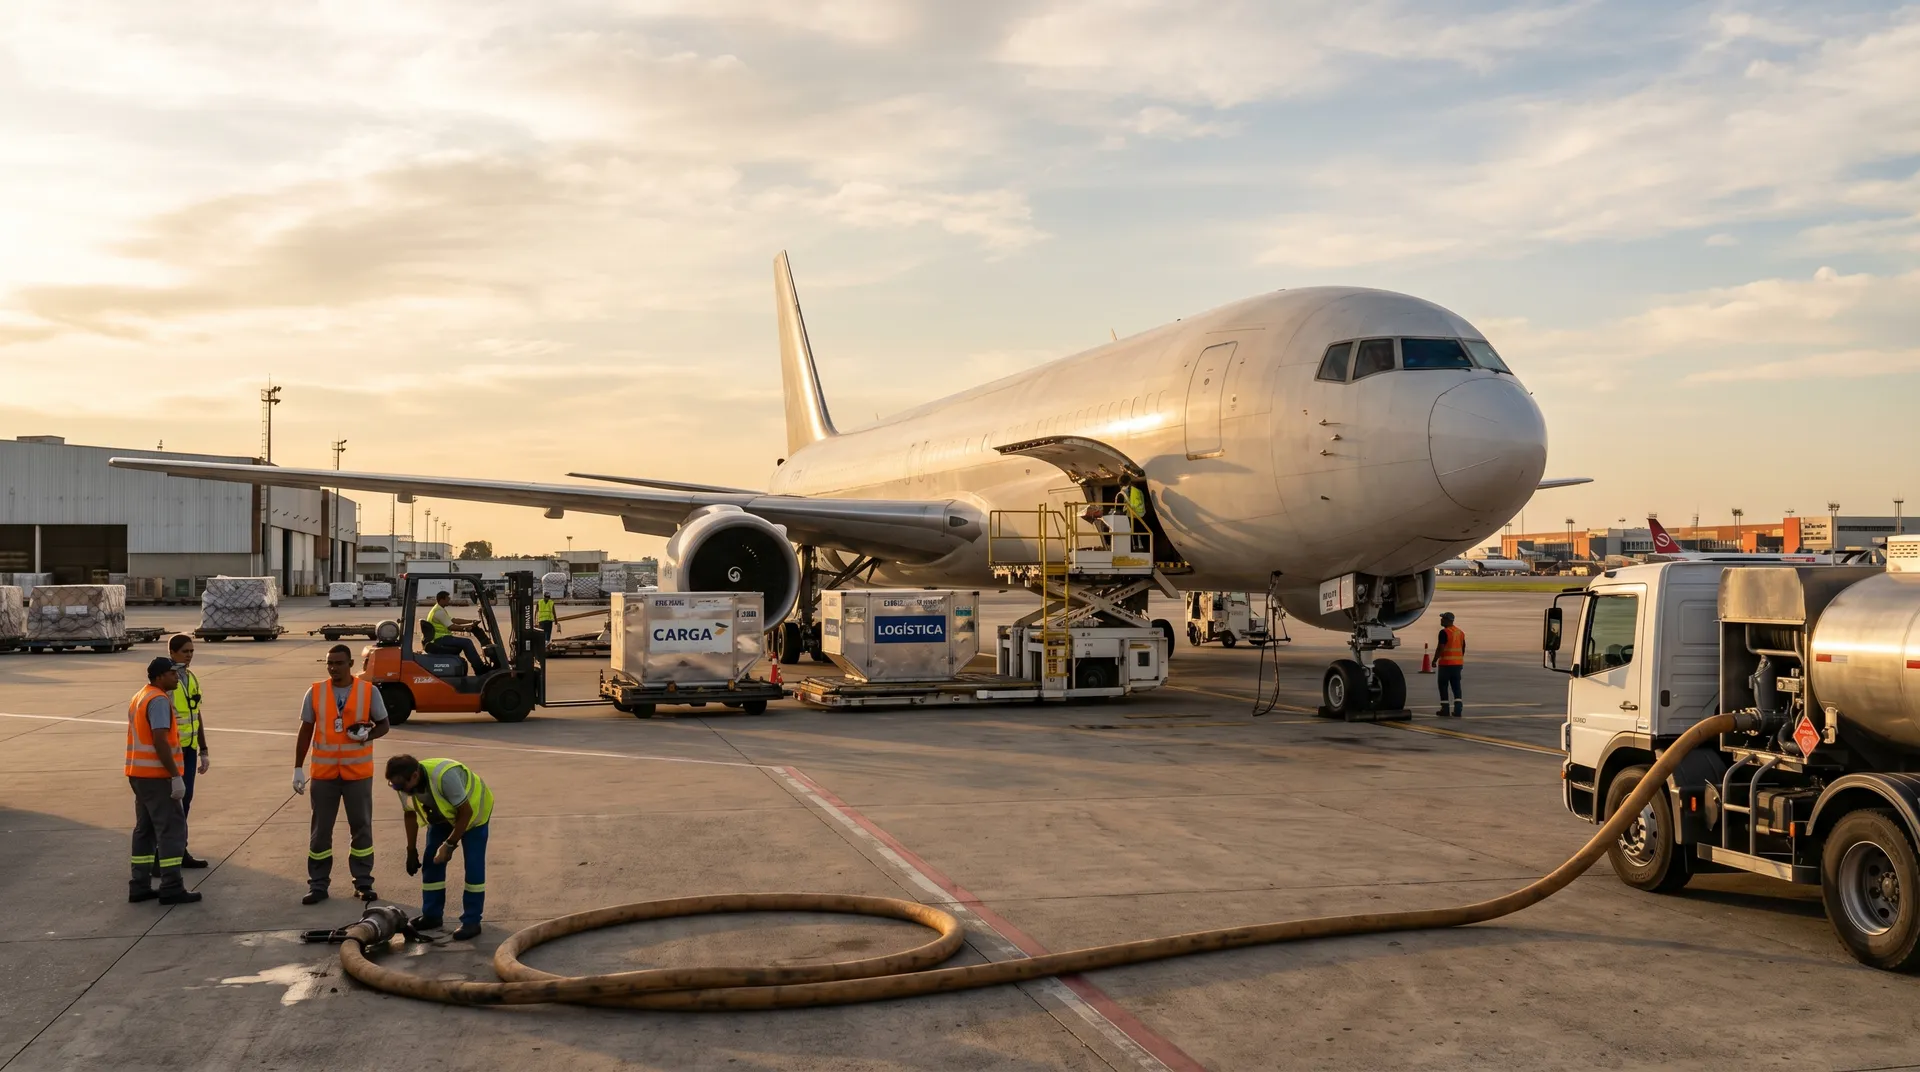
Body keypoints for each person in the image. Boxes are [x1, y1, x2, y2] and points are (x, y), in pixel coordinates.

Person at [293, 644, 391, 905]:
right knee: (320, 831)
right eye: (329, 663)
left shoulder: (369, 692)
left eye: (338, 663)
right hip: (324, 774)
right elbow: (305, 731)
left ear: (350, 664)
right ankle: (318, 885)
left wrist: (367, 735)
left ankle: (363, 883)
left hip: (357, 774)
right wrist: (297, 768)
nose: (333, 668)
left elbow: (384, 724)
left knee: (361, 828)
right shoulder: (315, 692)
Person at [387, 754, 494, 942]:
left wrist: (449, 845)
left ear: (414, 776)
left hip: (475, 816)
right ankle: (432, 915)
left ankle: (472, 921)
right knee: (431, 862)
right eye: (393, 786)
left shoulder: (445, 777)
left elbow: (466, 812)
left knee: (474, 867)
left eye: (399, 786)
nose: (398, 790)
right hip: (442, 816)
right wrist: (411, 850)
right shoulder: (402, 782)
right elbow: (410, 815)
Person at [127, 656, 201, 905]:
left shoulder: (141, 695)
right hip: (158, 777)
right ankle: (171, 886)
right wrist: (175, 776)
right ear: (159, 676)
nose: (176, 677)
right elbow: (160, 739)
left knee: (144, 830)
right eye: (172, 673)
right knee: (171, 831)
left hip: (139, 774)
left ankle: (139, 885)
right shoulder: (158, 700)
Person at [168, 634, 211, 868]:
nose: (189, 655)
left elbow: (197, 713)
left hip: (190, 750)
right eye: (185, 651)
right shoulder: (167, 679)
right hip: (172, 752)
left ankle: (180, 849)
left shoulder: (191, 678)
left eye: (192, 651)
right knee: (171, 804)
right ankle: (162, 854)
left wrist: (203, 748)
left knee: (186, 801)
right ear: (172, 652)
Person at [421, 590, 489, 676]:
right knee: (467, 642)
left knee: (465, 642)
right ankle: (480, 669)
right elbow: (451, 626)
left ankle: (479, 667)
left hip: (439, 639)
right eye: (447, 599)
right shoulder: (439, 612)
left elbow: (453, 620)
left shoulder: (439, 609)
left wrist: (471, 621)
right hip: (439, 639)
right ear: (442, 600)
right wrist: (465, 628)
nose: (449, 600)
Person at [1435, 611, 1466, 717]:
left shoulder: (1444, 632)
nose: (1441, 620)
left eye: (1443, 618)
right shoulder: (1460, 632)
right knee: (1456, 687)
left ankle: (1445, 709)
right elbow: (1463, 648)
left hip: (1446, 664)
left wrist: (1434, 660)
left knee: (1443, 686)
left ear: (1448, 621)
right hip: (1457, 664)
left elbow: (1441, 648)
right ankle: (1458, 710)